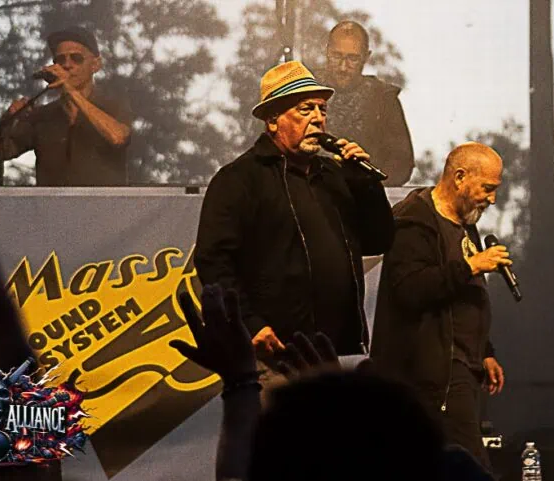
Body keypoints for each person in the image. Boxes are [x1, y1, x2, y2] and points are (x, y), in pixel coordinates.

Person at [193, 60, 394, 394]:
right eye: (305, 109)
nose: (318, 118)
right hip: (276, 358)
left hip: (337, 355)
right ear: (273, 120)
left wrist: (366, 184)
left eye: (322, 109)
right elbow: (213, 262)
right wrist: (250, 324)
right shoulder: (240, 179)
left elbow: (378, 240)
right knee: (281, 430)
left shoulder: (334, 176)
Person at [371, 142, 509, 471]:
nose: (492, 199)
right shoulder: (414, 221)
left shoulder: (463, 221)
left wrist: (484, 350)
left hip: (459, 367)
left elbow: (462, 297)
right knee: (472, 468)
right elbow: (411, 289)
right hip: (432, 374)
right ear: (460, 177)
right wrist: (472, 265)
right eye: (487, 188)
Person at [0, 26, 132, 186]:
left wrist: (70, 90)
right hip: (51, 202)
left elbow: (118, 137)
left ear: (96, 65)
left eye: (76, 58)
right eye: (60, 60)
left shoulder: (113, 106)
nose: (67, 65)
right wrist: (7, 120)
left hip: (104, 202)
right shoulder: (43, 115)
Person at [317, 20, 415, 186]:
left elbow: (401, 164)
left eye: (352, 59)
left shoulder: (383, 100)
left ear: (366, 57)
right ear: (327, 51)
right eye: (336, 56)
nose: (343, 67)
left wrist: (367, 187)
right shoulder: (307, 89)